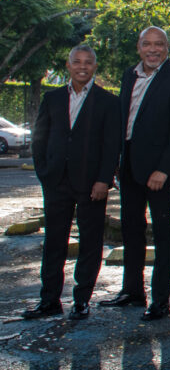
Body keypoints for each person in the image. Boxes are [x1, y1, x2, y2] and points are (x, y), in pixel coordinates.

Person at [102, 26, 170, 322]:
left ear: (167, 48)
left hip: (158, 170)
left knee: (162, 233)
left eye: (159, 44)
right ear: (139, 47)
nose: (153, 50)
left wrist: (163, 169)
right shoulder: (129, 75)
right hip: (129, 165)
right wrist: (118, 159)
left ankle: (160, 301)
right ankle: (132, 291)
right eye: (147, 44)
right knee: (131, 229)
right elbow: (124, 119)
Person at [25, 45, 120, 321]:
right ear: (68, 66)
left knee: (90, 241)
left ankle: (82, 300)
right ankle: (49, 300)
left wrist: (104, 179)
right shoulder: (52, 98)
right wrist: (44, 172)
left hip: (92, 184)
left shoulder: (108, 101)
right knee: (54, 241)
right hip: (56, 180)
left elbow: (111, 144)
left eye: (88, 62)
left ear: (94, 67)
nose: (82, 67)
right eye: (77, 62)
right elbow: (40, 137)